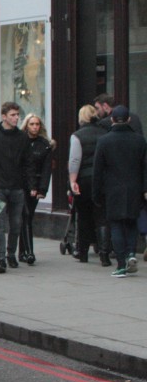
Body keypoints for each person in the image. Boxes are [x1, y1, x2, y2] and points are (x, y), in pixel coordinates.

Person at [92, 106, 147, 278]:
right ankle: (131, 253)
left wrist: (96, 193)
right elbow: (145, 168)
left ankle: (121, 264)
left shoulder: (104, 141)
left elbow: (97, 170)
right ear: (129, 120)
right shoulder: (140, 141)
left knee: (116, 225)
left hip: (113, 190)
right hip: (134, 188)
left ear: (112, 120)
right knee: (131, 223)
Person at [0, 101, 34, 274]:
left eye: (17, 115)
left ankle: (12, 254)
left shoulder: (22, 138)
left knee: (16, 223)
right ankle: (1, 258)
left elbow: (28, 163)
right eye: (12, 115)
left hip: (17, 186)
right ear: (4, 116)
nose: (16, 118)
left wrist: (31, 185)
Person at [68, 104, 110, 265]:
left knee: (84, 215)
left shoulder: (77, 136)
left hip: (84, 179)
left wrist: (72, 181)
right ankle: (104, 253)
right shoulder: (105, 134)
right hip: (102, 179)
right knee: (102, 216)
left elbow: (75, 160)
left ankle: (83, 252)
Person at [19, 112, 55, 264]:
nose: (34, 127)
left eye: (37, 124)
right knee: (25, 215)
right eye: (32, 124)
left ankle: (23, 251)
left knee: (27, 217)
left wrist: (42, 190)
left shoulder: (44, 144)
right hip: (21, 184)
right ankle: (29, 252)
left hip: (36, 185)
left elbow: (47, 169)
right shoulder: (21, 141)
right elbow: (24, 167)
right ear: (26, 125)